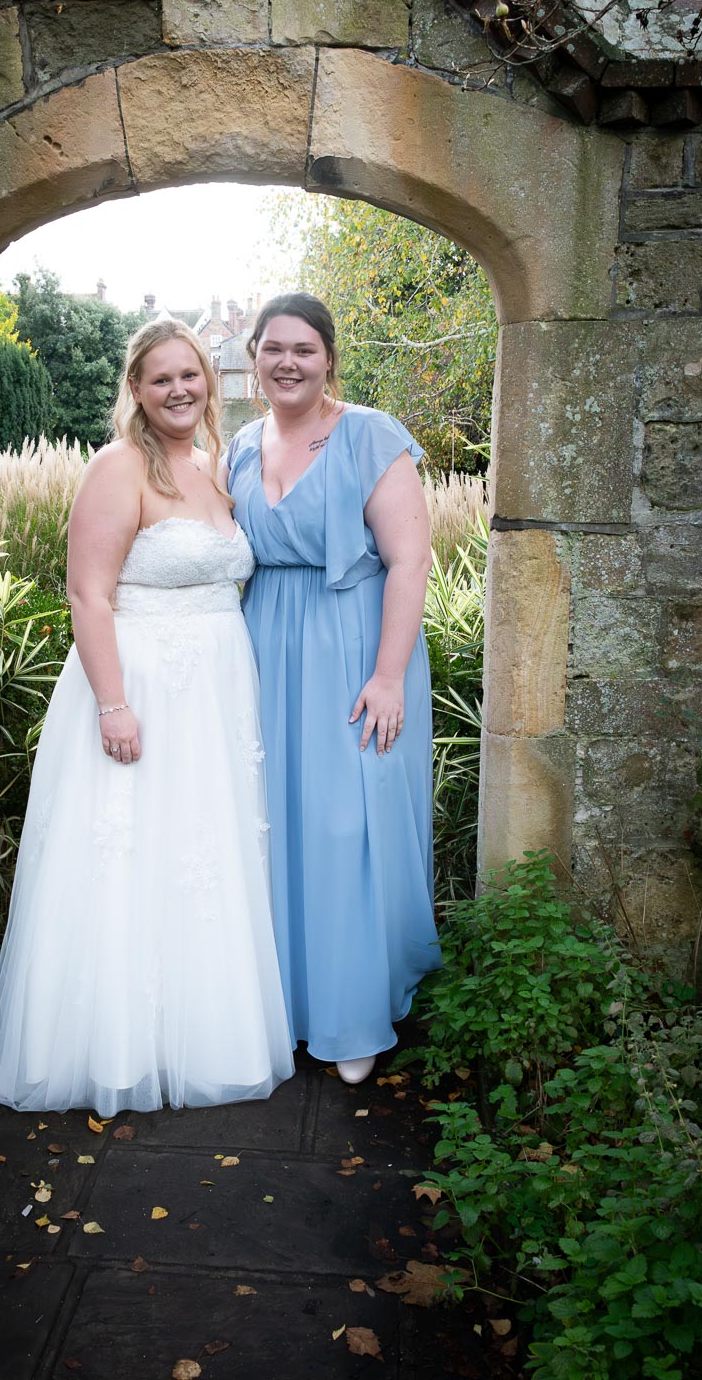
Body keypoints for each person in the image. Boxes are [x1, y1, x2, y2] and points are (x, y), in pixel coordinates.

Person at [0, 318, 295, 1115]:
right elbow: (89, 594)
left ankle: (198, 1033)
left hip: (215, 691)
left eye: (190, 374)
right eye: (162, 379)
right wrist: (113, 704)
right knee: (129, 852)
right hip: (142, 683)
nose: (180, 389)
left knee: (198, 853)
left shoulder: (218, 466)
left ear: (208, 381)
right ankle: (118, 1045)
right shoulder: (118, 468)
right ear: (138, 390)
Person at [225, 293, 440, 1086]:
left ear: (329, 359)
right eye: (274, 348)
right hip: (264, 646)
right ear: (254, 358)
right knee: (275, 822)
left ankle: (354, 1018)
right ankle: (283, 1005)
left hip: (355, 648)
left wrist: (388, 676)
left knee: (347, 824)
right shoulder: (240, 447)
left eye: (304, 350)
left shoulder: (369, 435)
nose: (288, 362)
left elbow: (409, 561)